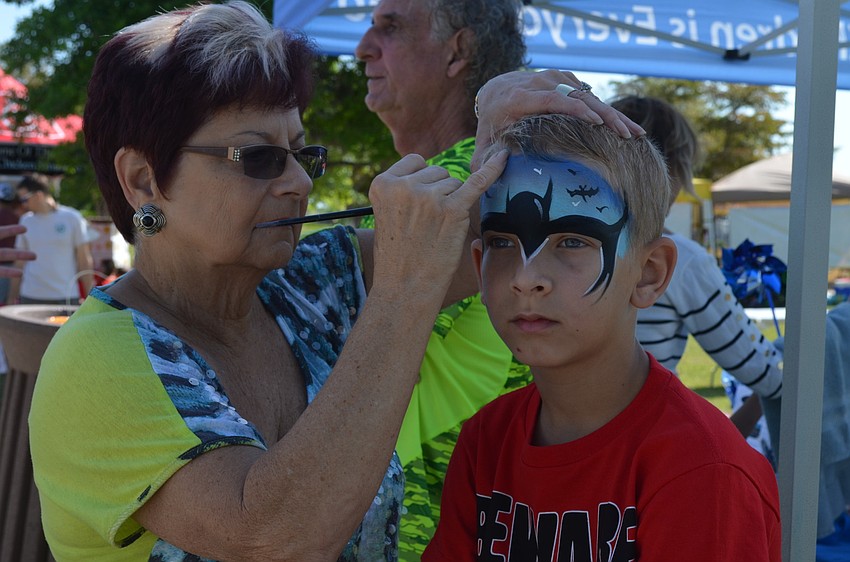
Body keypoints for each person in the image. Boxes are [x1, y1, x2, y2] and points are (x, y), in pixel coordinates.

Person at [26, 2, 635, 560]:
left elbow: (467, 238)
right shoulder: (100, 359)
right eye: (258, 158)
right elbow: (274, 537)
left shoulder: (308, 281)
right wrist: (402, 292)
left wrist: (496, 126)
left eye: (301, 153)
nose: (299, 182)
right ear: (141, 181)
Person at [423, 114, 781, 561]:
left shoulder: (702, 468)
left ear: (649, 274)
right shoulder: (485, 442)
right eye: (502, 242)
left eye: (572, 242)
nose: (526, 277)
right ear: (477, 265)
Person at [354, 2, 531, 555]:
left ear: (458, 51)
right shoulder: (454, 184)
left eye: (390, 27)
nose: (362, 47)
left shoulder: (447, 189)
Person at [612, 96, 783, 440]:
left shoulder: (564, 241)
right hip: (642, 443)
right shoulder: (681, 258)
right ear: (672, 166)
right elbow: (764, 371)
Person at [7, 175, 94, 305]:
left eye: (24, 199)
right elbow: (20, 262)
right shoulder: (25, 221)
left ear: (39, 195)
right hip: (30, 296)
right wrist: (11, 299)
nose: (23, 204)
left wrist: (91, 299)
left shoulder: (72, 217)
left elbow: (84, 260)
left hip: (65, 296)